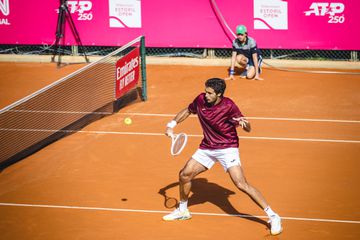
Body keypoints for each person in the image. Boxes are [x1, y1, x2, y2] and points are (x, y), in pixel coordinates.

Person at [163, 78, 282, 236]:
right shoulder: (200, 100)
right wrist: (171, 125)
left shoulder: (229, 106)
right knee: (184, 175)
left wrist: (246, 125)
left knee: (241, 183)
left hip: (227, 148)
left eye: (210, 93)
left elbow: (247, 128)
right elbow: (188, 110)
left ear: (219, 94)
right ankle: (183, 211)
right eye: (206, 91)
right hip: (207, 146)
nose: (206, 95)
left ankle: (273, 216)